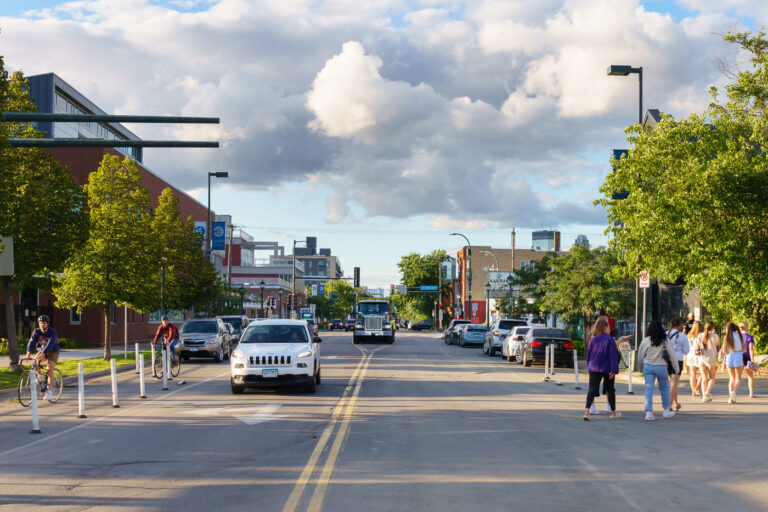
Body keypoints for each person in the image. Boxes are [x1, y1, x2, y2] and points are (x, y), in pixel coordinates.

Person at [637, 320, 678, 421]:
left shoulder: (646, 341)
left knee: (649, 389)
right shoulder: (665, 340)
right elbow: (672, 355)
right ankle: (666, 410)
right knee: (664, 388)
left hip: (648, 366)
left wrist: (640, 368)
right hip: (661, 367)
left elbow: (640, 356)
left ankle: (649, 412)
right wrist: (676, 368)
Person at [583, 317, 620, 420]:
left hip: (594, 368)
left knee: (592, 389)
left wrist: (589, 367)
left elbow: (588, 355)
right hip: (607, 368)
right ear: (605, 327)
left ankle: (587, 411)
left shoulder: (593, 340)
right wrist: (614, 370)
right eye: (608, 326)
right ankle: (613, 412)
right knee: (610, 390)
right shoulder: (610, 340)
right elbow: (613, 356)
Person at [25, 315, 60, 400]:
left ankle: (50, 391)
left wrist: (44, 353)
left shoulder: (52, 331)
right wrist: (28, 354)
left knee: (49, 370)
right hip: (42, 351)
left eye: (44, 323)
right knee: (35, 363)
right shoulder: (36, 331)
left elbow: (51, 343)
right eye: (40, 323)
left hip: (53, 351)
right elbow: (32, 342)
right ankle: (40, 375)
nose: (42, 325)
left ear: (47, 324)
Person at [667, 317, 689, 411]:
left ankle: (676, 402)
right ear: (680, 325)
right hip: (678, 359)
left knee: (673, 382)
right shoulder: (682, 336)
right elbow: (686, 350)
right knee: (674, 383)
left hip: (667, 359)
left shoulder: (666, 334)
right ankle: (669, 405)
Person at [695, 321, 719, 401]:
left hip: (702, 358)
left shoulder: (700, 335)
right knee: (712, 378)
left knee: (704, 378)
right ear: (712, 328)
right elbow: (717, 345)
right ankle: (707, 392)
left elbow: (696, 346)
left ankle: (704, 397)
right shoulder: (715, 336)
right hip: (711, 358)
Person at [721, 322, 744, 404]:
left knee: (731, 378)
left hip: (730, 356)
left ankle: (730, 397)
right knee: (738, 378)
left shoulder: (726, 337)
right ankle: (734, 392)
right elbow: (742, 348)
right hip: (738, 356)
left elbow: (724, 350)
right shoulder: (739, 336)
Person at [739, 321, 757, 398]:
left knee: (737, 376)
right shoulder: (749, 337)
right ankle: (751, 393)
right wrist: (752, 360)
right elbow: (751, 349)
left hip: (739, 357)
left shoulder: (737, 336)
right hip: (747, 358)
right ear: (746, 327)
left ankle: (733, 392)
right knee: (750, 376)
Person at [686, 321, 703, 396]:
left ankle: (693, 391)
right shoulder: (702, 335)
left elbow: (687, 346)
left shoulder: (689, 335)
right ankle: (697, 387)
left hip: (690, 355)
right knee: (703, 373)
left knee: (692, 374)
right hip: (699, 355)